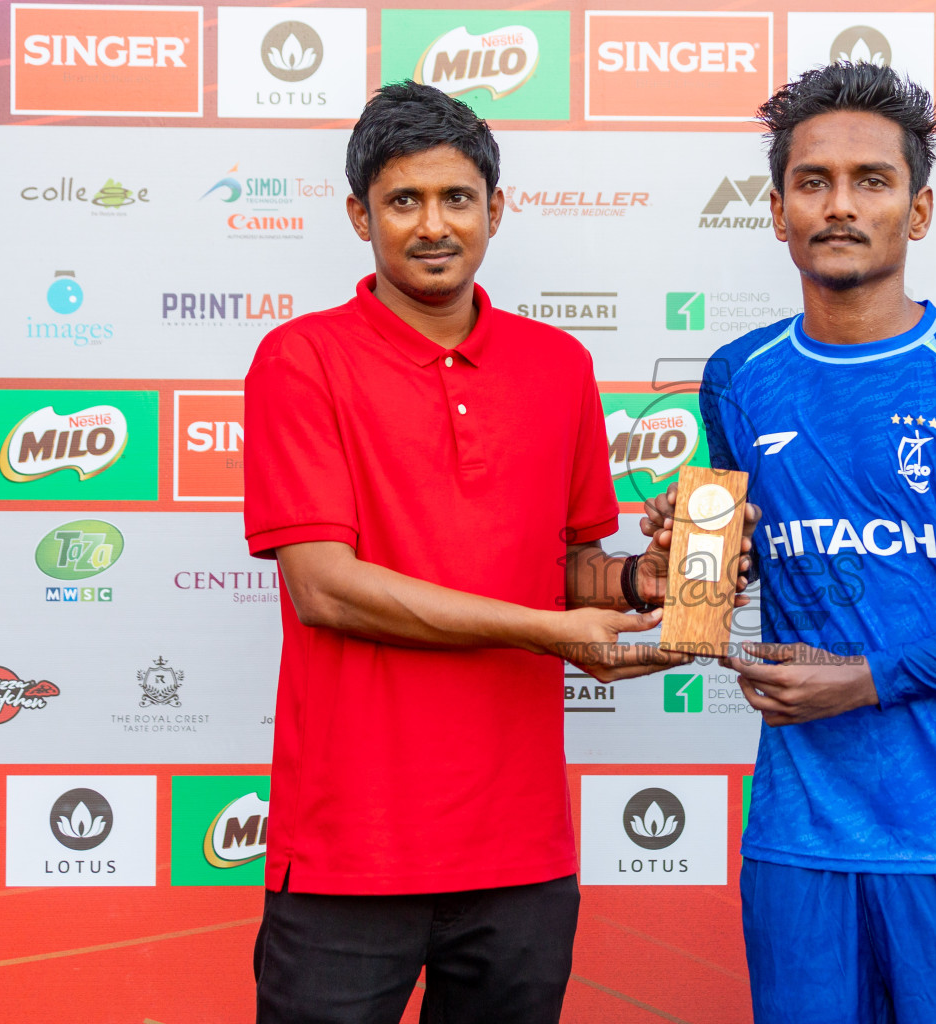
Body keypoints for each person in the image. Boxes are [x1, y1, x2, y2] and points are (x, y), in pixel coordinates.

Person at [242, 81, 752, 1024]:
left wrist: (661, 576)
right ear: (359, 216)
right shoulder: (301, 360)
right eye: (403, 201)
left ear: (496, 210)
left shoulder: (558, 366)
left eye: (457, 199)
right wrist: (555, 633)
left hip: (520, 854)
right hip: (350, 851)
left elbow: (566, 568)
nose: (433, 226)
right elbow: (327, 590)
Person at [657, 62, 936, 1022]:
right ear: (777, 211)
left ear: (917, 212)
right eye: (813, 181)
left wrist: (865, 679)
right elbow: (715, 590)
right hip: (802, 838)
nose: (839, 205)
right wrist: (689, 561)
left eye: (871, 181)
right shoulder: (736, 376)